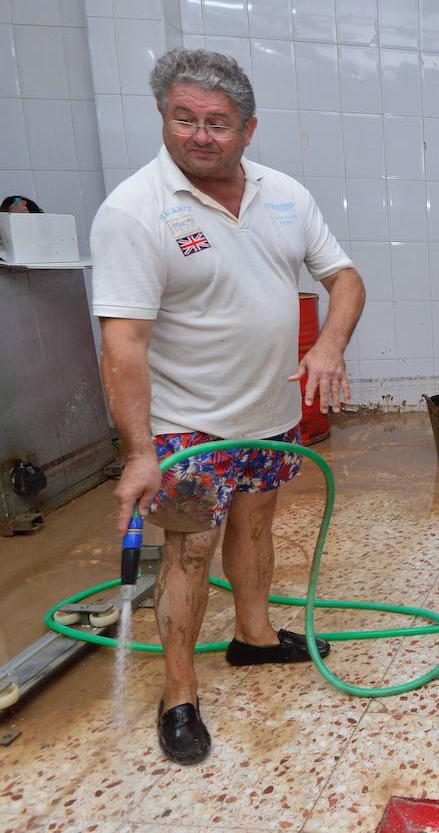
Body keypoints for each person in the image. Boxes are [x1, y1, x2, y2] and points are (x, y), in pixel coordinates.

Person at [90, 48, 365, 764]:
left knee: (257, 526)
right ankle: (178, 693)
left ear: (248, 128)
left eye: (217, 122)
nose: (199, 135)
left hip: (269, 418)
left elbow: (346, 278)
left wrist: (330, 345)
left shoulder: (284, 194)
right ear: (162, 118)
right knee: (186, 551)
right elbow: (123, 343)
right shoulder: (134, 211)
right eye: (184, 118)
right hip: (188, 429)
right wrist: (141, 451)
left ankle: (254, 636)